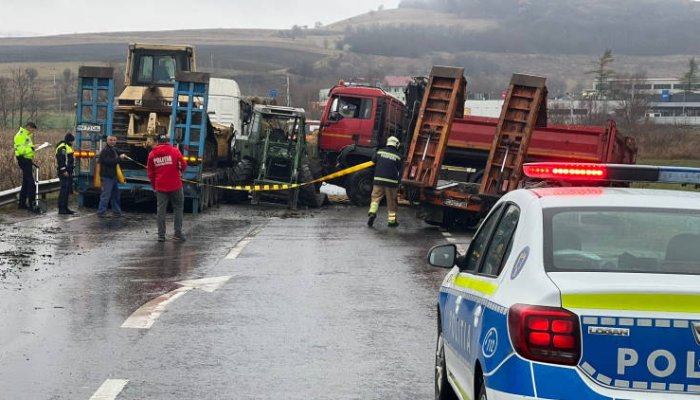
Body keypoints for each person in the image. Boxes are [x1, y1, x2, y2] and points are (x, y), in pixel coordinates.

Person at [147, 134, 187, 242]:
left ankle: (161, 236)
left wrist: (154, 186)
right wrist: (178, 170)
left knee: (161, 211)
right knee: (178, 208)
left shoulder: (152, 154)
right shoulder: (175, 151)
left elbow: (151, 173)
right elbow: (183, 166)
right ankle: (177, 234)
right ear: (168, 141)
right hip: (175, 185)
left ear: (158, 141)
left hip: (161, 186)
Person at [367, 136, 403, 228]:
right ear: (396, 145)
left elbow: (373, 160)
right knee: (391, 202)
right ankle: (392, 222)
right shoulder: (398, 156)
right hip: (391, 182)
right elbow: (400, 169)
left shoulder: (380, 152)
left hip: (378, 180)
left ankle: (372, 213)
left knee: (375, 198)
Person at [97, 135, 125, 217]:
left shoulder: (114, 150)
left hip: (113, 176)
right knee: (106, 195)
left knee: (115, 195)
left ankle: (116, 211)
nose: (112, 141)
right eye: (110, 140)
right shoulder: (105, 151)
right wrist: (119, 158)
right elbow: (108, 162)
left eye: (114, 140)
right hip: (107, 176)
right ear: (107, 141)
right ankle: (101, 212)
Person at [13, 122, 37, 211]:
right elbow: (21, 151)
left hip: (27, 160)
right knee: (31, 183)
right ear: (29, 127)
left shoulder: (26, 136)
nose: (32, 132)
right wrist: (32, 148)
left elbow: (27, 148)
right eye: (32, 130)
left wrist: (33, 147)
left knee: (26, 182)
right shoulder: (20, 136)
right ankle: (32, 205)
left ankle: (22, 204)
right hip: (24, 160)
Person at [55, 132, 76, 215]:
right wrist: (64, 170)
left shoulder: (67, 146)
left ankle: (65, 208)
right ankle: (61, 209)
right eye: (72, 141)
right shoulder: (63, 147)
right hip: (64, 172)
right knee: (64, 191)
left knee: (66, 191)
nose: (73, 143)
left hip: (68, 171)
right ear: (70, 140)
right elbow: (61, 160)